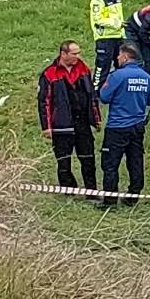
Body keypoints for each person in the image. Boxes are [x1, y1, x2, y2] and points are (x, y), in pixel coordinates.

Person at [96, 43, 150, 210]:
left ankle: (109, 202)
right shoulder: (147, 77)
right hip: (137, 127)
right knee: (135, 161)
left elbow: (104, 96)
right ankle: (133, 196)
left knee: (110, 164)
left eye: (119, 56)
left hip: (117, 126)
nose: (117, 58)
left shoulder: (117, 76)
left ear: (125, 57)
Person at [37, 40, 100, 193]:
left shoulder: (83, 69)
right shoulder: (49, 73)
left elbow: (91, 95)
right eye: (74, 53)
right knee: (63, 161)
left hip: (82, 122)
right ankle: (69, 189)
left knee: (88, 158)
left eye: (79, 53)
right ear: (63, 54)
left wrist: (96, 118)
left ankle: (91, 190)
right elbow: (44, 102)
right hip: (61, 123)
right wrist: (46, 127)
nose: (78, 56)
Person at [89, 0, 124, 91]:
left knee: (120, 64)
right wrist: (116, 24)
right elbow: (98, 19)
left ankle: (118, 88)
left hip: (118, 36)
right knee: (103, 66)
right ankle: (96, 91)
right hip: (104, 37)